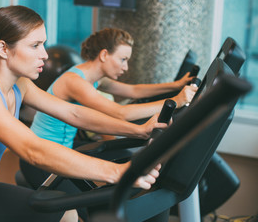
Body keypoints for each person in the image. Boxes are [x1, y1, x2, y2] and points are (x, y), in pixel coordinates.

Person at [0, 6, 165, 222]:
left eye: (44, 44)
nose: (45, 55)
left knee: (63, 213)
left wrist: (139, 130)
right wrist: (119, 172)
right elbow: (32, 149)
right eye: (35, 45)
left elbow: (73, 113)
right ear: (3, 49)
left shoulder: (19, 84)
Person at [20, 28, 198, 190]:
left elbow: (134, 90)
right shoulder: (74, 81)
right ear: (104, 55)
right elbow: (120, 113)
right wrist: (176, 100)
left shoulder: (95, 78)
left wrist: (175, 85)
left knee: (122, 155)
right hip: (41, 158)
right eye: (123, 59)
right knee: (86, 206)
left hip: (64, 149)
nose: (125, 67)